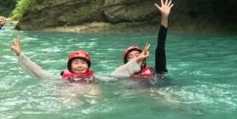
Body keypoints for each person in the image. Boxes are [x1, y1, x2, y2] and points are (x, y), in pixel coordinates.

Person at [11, 38, 150, 82]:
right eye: (76, 62)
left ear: (88, 66)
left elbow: (117, 73)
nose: (79, 65)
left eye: (83, 63)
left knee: (94, 94)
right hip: (68, 94)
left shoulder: (94, 78)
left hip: (89, 94)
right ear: (70, 66)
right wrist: (21, 56)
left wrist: (136, 61)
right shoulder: (62, 78)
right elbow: (39, 72)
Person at [121, 0, 173, 79]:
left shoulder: (156, 71)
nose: (135, 58)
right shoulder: (122, 77)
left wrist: (164, 17)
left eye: (137, 55)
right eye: (130, 57)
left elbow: (160, 46)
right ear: (126, 63)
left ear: (144, 60)